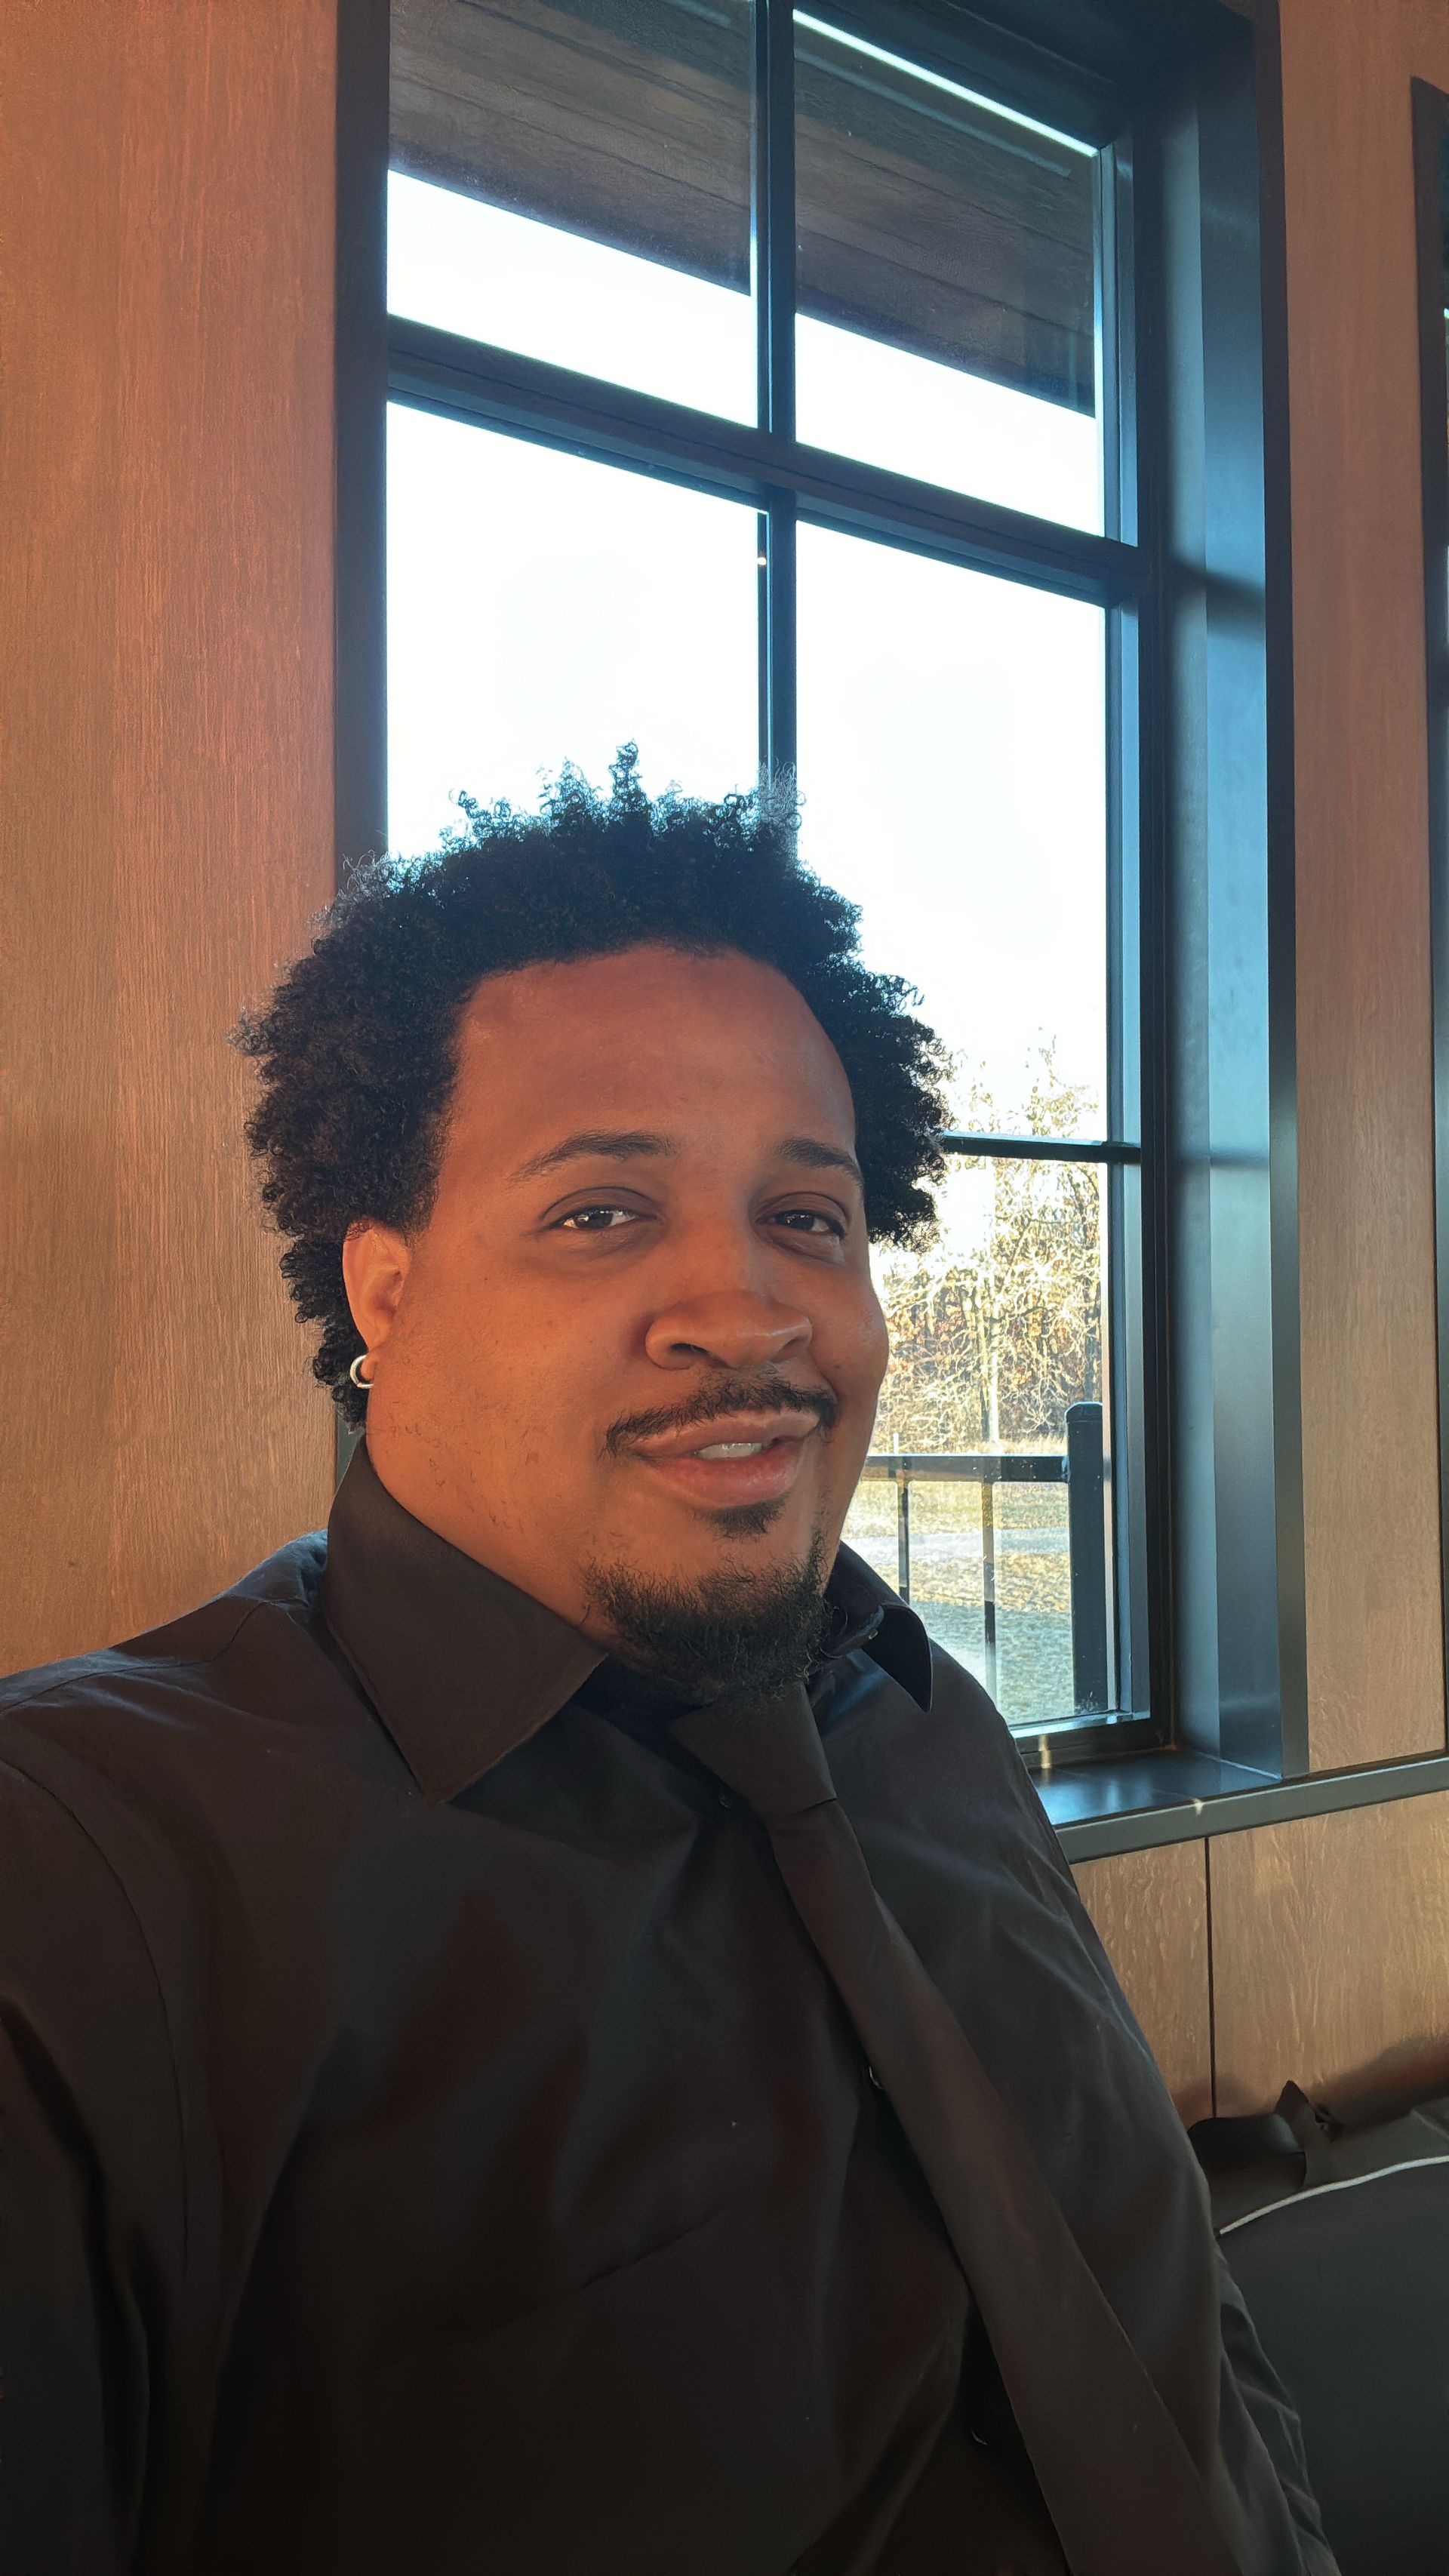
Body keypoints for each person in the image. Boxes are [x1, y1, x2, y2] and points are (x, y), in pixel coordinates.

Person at [0, 754, 1335, 2575]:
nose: (751, 1308)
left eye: (808, 1216)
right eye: (601, 1212)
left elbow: (1171, 2323)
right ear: (382, 1290)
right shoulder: (83, 1881)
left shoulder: (926, 1720)